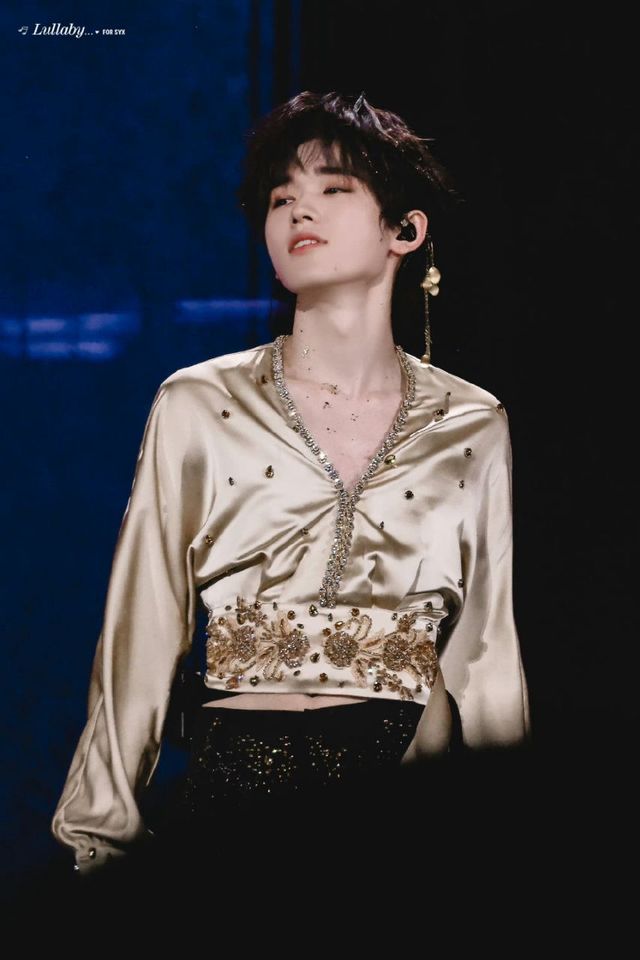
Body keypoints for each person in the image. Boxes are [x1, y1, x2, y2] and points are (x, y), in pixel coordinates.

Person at [50, 90, 532, 883]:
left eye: (333, 188)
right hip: (238, 791)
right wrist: (98, 836)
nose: (299, 209)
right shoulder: (199, 403)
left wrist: (517, 846)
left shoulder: (471, 422)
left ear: (405, 231)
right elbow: (141, 628)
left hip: (410, 795)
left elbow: (486, 648)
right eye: (281, 198)